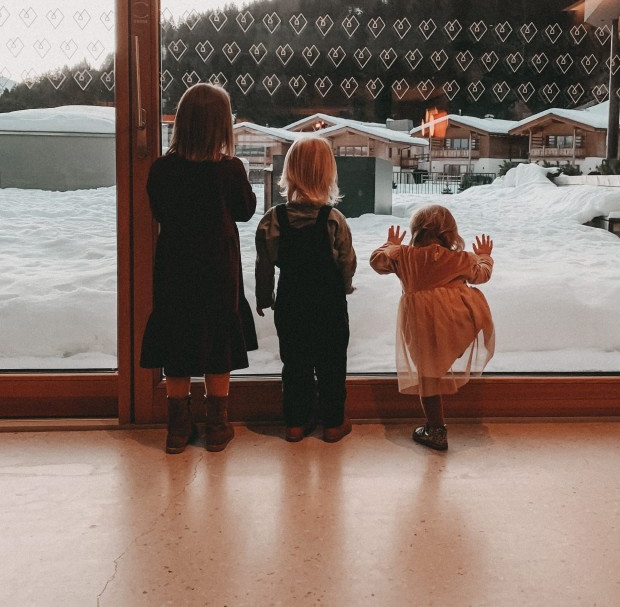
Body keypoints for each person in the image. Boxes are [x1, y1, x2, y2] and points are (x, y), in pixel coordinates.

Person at [141, 83, 257, 454]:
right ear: (222, 126)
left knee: (177, 336)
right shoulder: (230, 170)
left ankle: (177, 428)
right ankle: (217, 426)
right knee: (217, 337)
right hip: (217, 268)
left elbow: (159, 211)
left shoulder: (161, 169)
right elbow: (244, 211)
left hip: (175, 265)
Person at [255, 136, 356, 443]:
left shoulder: (274, 219)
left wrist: (264, 295)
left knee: (295, 364)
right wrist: (345, 286)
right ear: (329, 176)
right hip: (328, 306)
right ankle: (333, 424)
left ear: (290, 173)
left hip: (291, 302)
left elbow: (264, 262)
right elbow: (346, 261)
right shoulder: (334, 220)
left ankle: (295, 424)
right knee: (332, 364)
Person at [369, 205, 494, 451]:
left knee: (427, 376)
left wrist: (389, 243)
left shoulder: (403, 255)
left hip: (421, 325)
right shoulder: (461, 258)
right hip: (455, 322)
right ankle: (450, 353)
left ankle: (435, 429)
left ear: (415, 232)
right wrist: (484, 256)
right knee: (442, 356)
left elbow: (377, 262)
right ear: (451, 234)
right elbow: (482, 275)